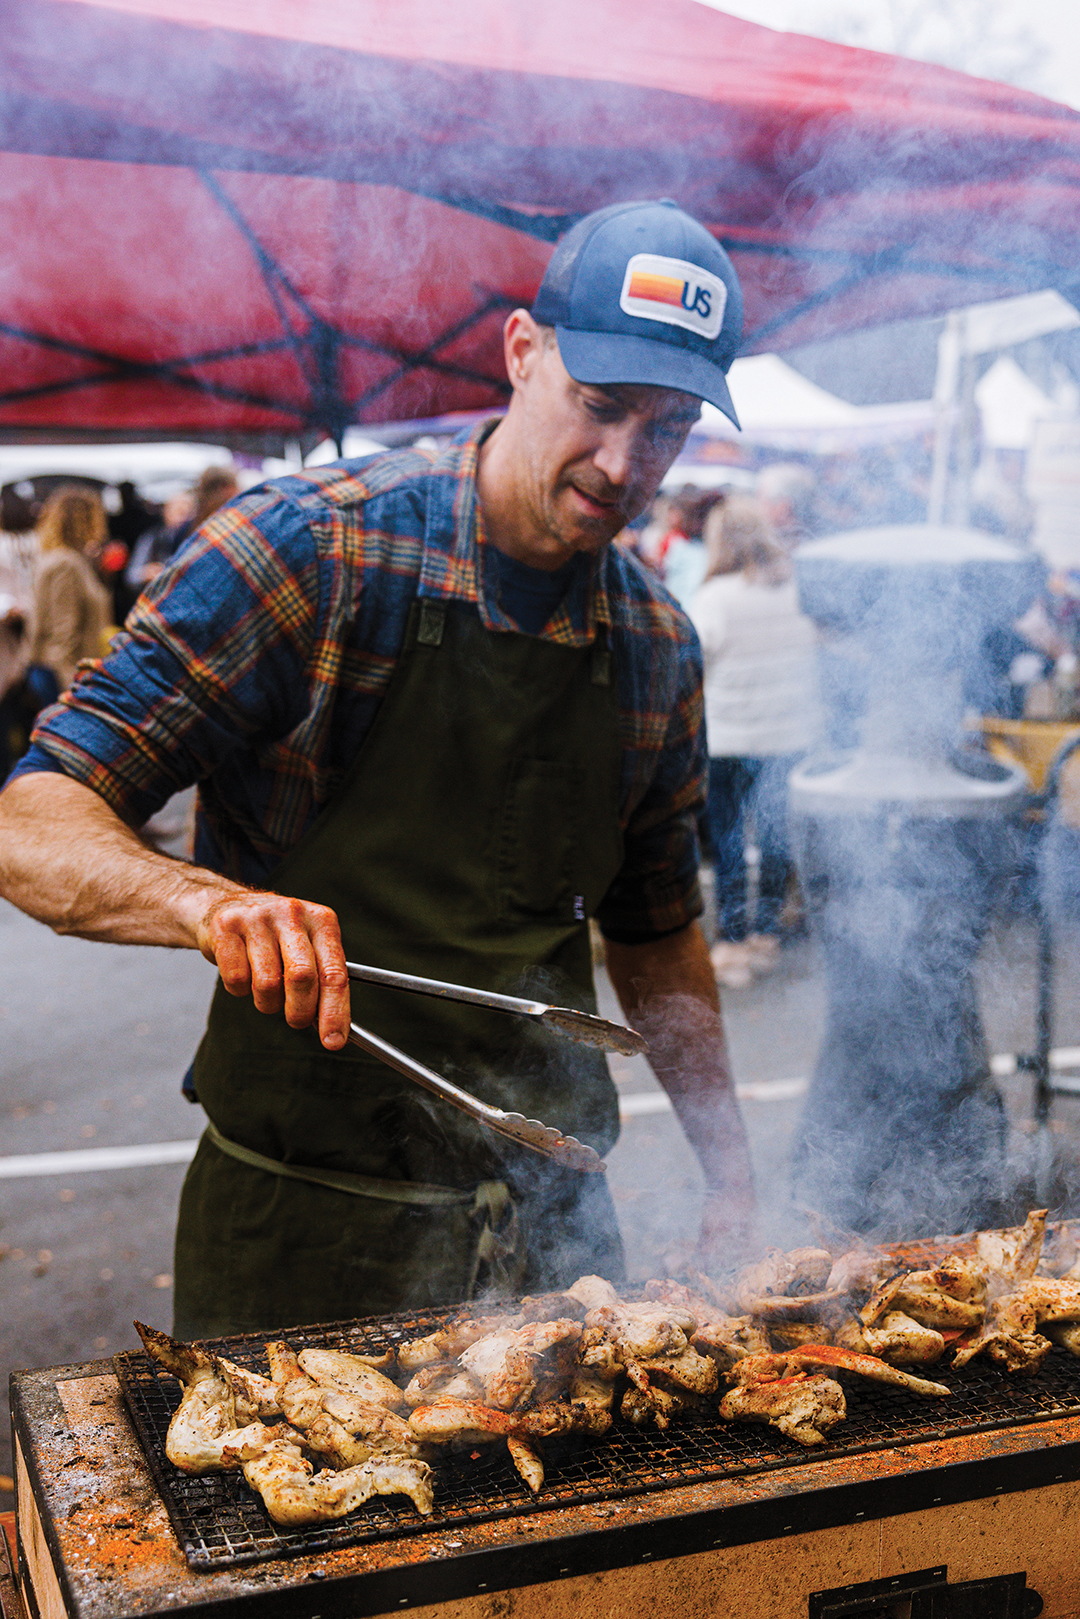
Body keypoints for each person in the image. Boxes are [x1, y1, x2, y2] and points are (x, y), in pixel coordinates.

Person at [0, 199, 755, 1337]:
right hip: (306, 1226)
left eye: (668, 428)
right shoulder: (310, 551)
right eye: (600, 407)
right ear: (521, 350)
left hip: (558, 1229)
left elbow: (655, 930)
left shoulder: (654, 643)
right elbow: (33, 819)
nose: (623, 462)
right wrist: (204, 903)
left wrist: (733, 1171)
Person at [689, 496, 820, 988]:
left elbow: (694, 656)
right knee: (773, 839)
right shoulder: (796, 590)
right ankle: (765, 934)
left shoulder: (716, 597)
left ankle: (731, 940)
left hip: (729, 737)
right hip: (790, 736)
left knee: (725, 842)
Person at [26, 484, 112, 695]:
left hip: (57, 669)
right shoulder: (66, 563)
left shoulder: (65, 558)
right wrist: (73, 689)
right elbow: (63, 631)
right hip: (62, 673)